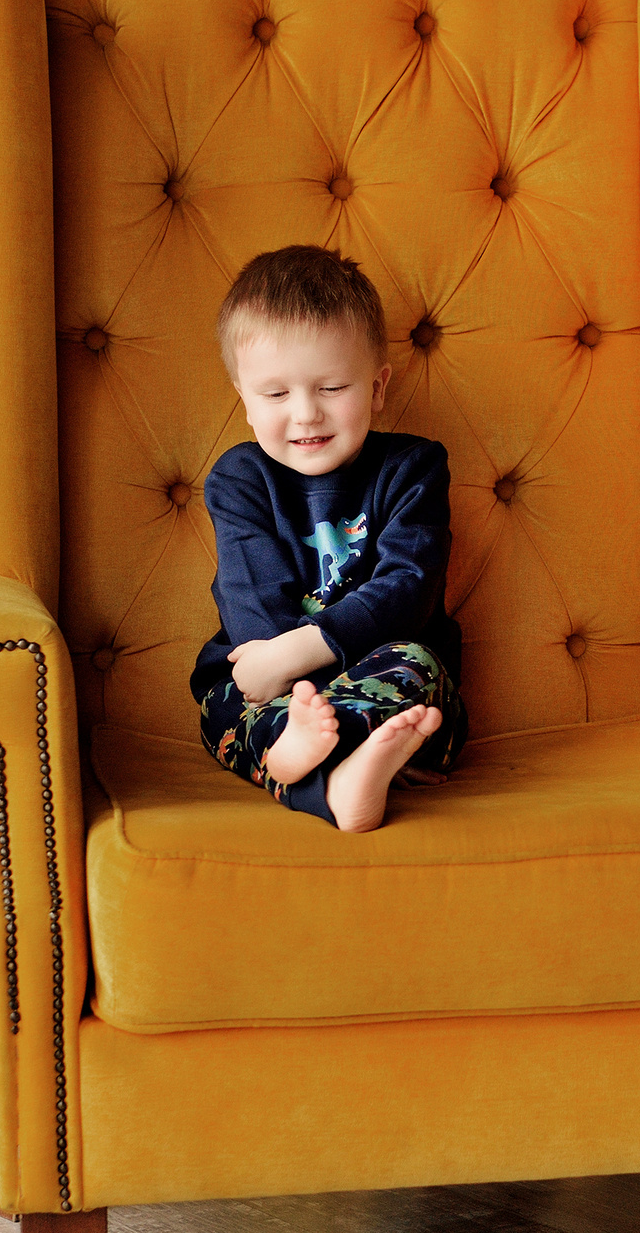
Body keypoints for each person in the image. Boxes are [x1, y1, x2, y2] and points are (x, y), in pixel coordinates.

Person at [193, 245, 465, 831]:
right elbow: (251, 605)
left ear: (378, 386)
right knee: (224, 699)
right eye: (275, 395)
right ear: (243, 399)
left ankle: (325, 761)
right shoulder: (240, 480)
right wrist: (289, 690)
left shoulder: (414, 468)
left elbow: (408, 591)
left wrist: (293, 659)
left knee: (415, 666)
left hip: (379, 679)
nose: (306, 414)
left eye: (332, 387)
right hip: (266, 694)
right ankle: (334, 778)